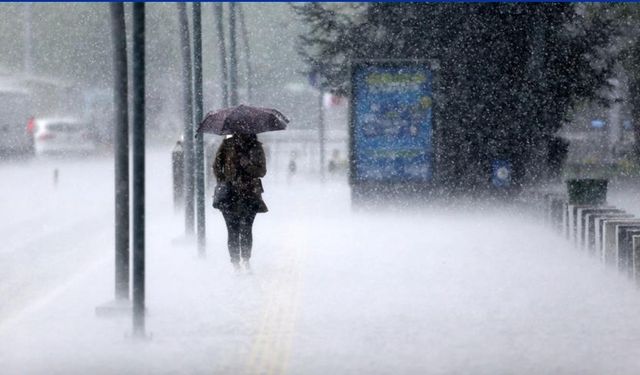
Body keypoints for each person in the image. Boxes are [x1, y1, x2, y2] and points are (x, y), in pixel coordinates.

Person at [213, 133, 268, 271]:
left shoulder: (256, 147)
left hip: (249, 194)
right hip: (229, 195)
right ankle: (235, 262)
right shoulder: (227, 145)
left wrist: (247, 164)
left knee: (246, 229)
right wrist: (224, 180)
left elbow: (262, 171)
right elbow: (216, 166)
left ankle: (245, 259)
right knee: (232, 229)